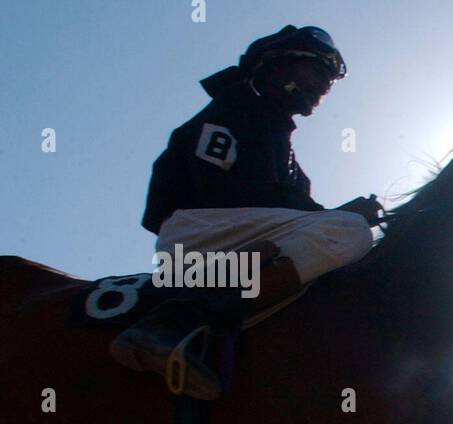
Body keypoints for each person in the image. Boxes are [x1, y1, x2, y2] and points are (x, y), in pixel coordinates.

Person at [113, 25, 381, 398]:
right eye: (318, 70)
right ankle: (179, 319)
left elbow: (280, 208)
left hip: (234, 241)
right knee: (350, 231)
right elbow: (217, 188)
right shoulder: (235, 109)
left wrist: (327, 214)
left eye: (329, 78)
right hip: (197, 239)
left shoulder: (289, 159)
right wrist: (335, 215)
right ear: (276, 67)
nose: (325, 85)